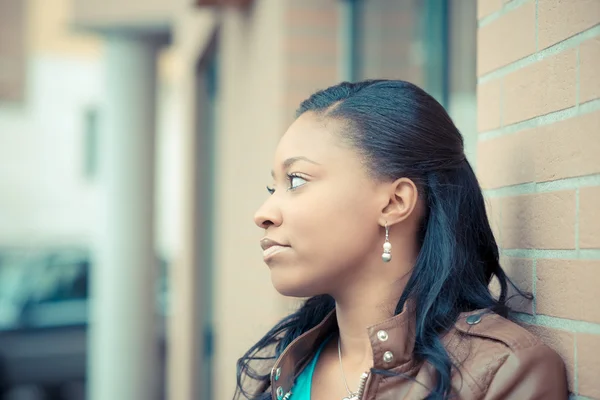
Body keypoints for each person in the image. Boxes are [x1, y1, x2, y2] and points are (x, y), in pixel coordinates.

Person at [236, 80, 568, 400]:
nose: (263, 213)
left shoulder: (502, 371)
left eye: (296, 180)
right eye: (272, 187)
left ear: (395, 203)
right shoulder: (293, 360)